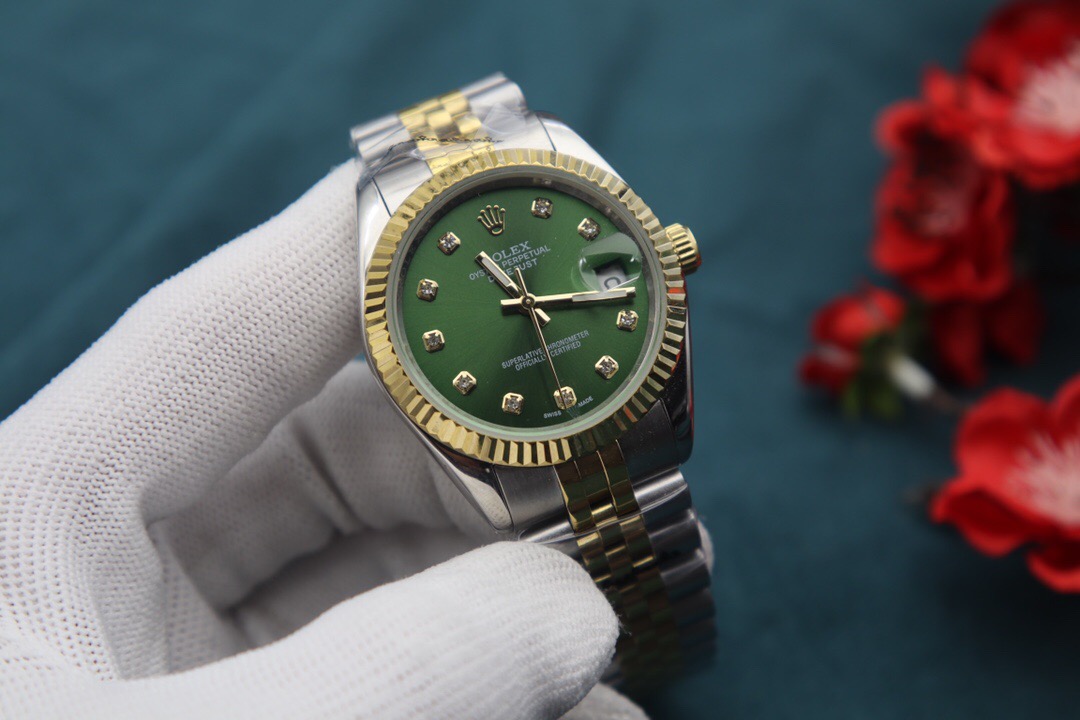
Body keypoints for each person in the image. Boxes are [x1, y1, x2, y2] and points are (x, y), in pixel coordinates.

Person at [0, 163, 656, 719]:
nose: (527, 306)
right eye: (522, 303)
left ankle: (651, 641)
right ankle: (652, 647)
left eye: (530, 303)